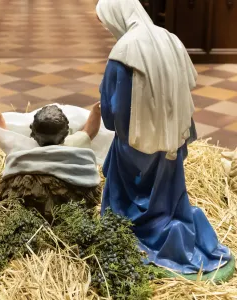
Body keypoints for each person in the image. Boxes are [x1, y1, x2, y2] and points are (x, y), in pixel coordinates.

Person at [96, 0, 232, 277]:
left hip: (135, 143)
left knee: (127, 193)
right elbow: (187, 84)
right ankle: (171, 223)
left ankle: (134, 232)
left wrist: (120, 128)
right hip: (173, 137)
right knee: (167, 190)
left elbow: (113, 108)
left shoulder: (123, 51)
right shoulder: (170, 38)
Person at [0, 102, 102, 150]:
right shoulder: (73, 144)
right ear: (66, 134)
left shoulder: (23, 147)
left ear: (32, 132)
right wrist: (96, 111)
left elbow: (4, 138)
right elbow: (90, 130)